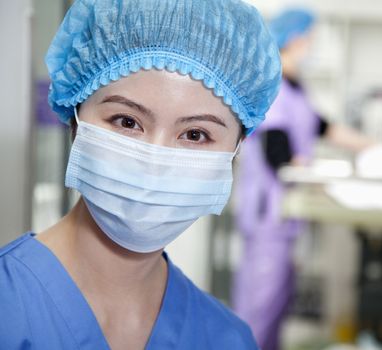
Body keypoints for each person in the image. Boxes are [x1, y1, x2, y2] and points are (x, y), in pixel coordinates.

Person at [0, 0, 281, 349]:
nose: (156, 161)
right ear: (75, 121)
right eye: (127, 121)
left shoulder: (226, 339)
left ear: (235, 151)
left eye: (195, 134)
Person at [232, 8, 375, 350]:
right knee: (257, 310)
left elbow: (323, 127)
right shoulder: (274, 87)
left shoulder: (297, 89)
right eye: (310, 40)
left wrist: (376, 147)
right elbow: (278, 157)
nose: (312, 47)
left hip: (287, 217)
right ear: (294, 40)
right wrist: (324, 178)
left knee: (278, 306)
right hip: (269, 215)